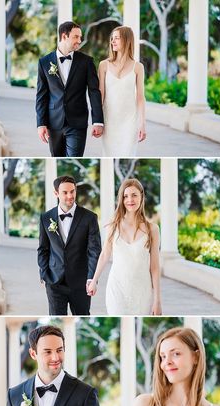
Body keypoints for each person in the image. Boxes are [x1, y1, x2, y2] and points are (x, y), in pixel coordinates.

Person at [87, 178, 161, 315]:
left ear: (141, 196)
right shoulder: (113, 226)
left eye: (134, 195)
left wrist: (157, 300)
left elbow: (155, 266)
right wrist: (94, 280)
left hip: (142, 291)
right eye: (125, 196)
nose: (130, 200)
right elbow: (104, 255)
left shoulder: (153, 229)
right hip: (116, 289)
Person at [36, 21, 104, 157]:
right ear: (64, 36)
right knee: (56, 158)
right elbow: (41, 96)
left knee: (74, 157)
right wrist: (41, 124)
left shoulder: (86, 62)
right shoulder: (44, 62)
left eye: (80, 37)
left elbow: (94, 92)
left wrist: (98, 121)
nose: (79, 41)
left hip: (77, 122)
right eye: (76, 37)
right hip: (53, 122)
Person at [37, 175, 101, 315]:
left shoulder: (90, 218)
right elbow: (43, 249)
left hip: (81, 282)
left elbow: (94, 251)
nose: (70, 196)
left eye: (72, 191)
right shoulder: (45, 218)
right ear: (56, 193)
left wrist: (92, 278)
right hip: (54, 282)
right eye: (65, 192)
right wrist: (44, 273)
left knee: (83, 316)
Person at [98, 26, 146, 157]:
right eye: (112, 38)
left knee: (128, 154)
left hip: (130, 121)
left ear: (127, 40)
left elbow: (140, 97)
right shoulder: (103, 65)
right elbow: (101, 94)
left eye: (117, 38)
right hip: (109, 120)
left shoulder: (138, 67)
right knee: (108, 155)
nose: (113, 41)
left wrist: (142, 124)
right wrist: (97, 121)